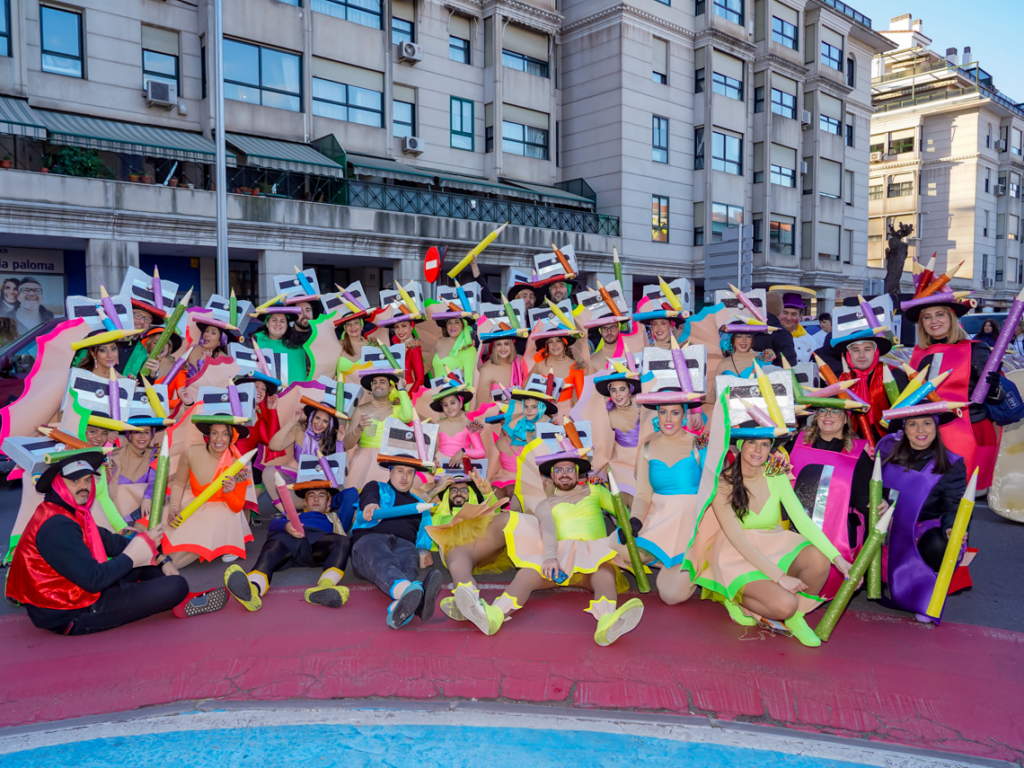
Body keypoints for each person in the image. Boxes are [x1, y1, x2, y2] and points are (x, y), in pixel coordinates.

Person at [456, 451, 645, 646]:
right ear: (552, 477)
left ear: (577, 473)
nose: (564, 474)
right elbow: (548, 529)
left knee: (605, 575)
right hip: (559, 558)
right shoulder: (545, 504)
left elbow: (623, 509)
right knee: (526, 575)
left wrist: (629, 525)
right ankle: (493, 616)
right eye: (559, 471)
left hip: (593, 555)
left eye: (569, 469)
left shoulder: (596, 491)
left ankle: (607, 623)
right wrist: (551, 557)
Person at [4, 451, 191, 635]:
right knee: (177, 586)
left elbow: (112, 542)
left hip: (82, 589)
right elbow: (94, 580)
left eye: (87, 479)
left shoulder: (69, 512)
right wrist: (134, 555)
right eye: (75, 481)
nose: (84, 486)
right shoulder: (58, 525)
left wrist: (161, 559)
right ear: (58, 483)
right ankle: (165, 592)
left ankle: (159, 590)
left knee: (150, 565)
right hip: (70, 612)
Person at [695, 429, 852, 647]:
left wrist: (837, 558)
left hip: (771, 544)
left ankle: (797, 618)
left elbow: (802, 521)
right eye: (752, 442)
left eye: (765, 444)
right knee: (785, 606)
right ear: (740, 445)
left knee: (819, 559)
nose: (758, 450)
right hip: (736, 553)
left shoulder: (776, 474)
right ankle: (733, 598)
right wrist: (780, 577)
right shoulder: (722, 484)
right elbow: (738, 539)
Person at [904, 288, 1007, 490]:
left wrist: (994, 387)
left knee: (961, 496)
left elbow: (995, 398)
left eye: (939, 314)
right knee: (925, 495)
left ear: (951, 318)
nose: (934, 321)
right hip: (926, 435)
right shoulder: (917, 352)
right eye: (927, 317)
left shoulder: (975, 349)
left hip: (969, 430)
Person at [877, 409, 969, 620]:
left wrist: (951, 527)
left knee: (940, 544)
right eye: (913, 424)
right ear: (904, 429)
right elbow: (874, 488)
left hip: (922, 528)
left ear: (936, 427)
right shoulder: (887, 455)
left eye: (927, 423)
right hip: (888, 527)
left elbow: (953, 506)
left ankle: (925, 590)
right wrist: (878, 500)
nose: (921, 430)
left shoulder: (951, 464)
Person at [628, 393, 709, 606]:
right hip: (659, 524)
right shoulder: (647, 446)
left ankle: (691, 562)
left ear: (684, 415)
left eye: (675, 412)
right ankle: (663, 559)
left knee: (671, 595)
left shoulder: (699, 445)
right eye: (663, 412)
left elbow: (715, 491)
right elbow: (643, 494)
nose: (668, 418)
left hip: (692, 531)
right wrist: (635, 520)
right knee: (613, 550)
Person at [787, 405, 874, 597]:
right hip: (793, 528)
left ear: (846, 418)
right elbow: (774, 474)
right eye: (823, 411)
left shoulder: (858, 452)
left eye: (835, 411)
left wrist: (875, 504)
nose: (828, 416)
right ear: (816, 416)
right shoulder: (795, 442)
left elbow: (862, 495)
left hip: (837, 531)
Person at [223, 484, 352, 611]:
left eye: (321, 496)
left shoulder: (336, 518)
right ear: (305, 503)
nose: (316, 499)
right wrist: (286, 526)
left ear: (328, 503)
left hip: (318, 546)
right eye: (311, 496)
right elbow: (274, 524)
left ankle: (325, 586)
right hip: (288, 545)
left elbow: (351, 494)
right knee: (273, 544)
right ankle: (253, 589)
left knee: (343, 541)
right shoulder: (293, 516)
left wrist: (331, 494)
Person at [351, 459, 442, 628]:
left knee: (409, 566)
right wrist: (371, 504)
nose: (405, 477)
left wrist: (423, 551)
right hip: (370, 539)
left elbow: (423, 533)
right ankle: (415, 595)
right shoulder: (376, 487)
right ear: (391, 472)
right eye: (400, 471)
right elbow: (369, 497)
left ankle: (398, 606)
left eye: (410, 472)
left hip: (405, 544)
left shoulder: (420, 504)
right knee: (382, 559)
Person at [163, 421, 255, 567]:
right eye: (214, 433)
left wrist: (228, 493)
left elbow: (237, 507)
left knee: (174, 561)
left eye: (225, 434)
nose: (219, 439)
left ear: (232, 437)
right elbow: (179, 483)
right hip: (192, 503)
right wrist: (174, 508)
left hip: (222, 512)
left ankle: (223, 540)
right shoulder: (191, 452)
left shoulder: (241, 467)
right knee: (147, 532)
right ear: (209, 434)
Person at [425, 468, 510, 621]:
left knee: (508, 518)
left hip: (483, 546)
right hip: (457, 552)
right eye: (453, 490)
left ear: (470, 494)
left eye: (464, 490)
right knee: (458, 564)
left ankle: (467, 602)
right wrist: (436, 489)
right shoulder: (436, 516)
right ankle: (470, 601)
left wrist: (487, 494)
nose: (458, 493)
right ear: (447, 495)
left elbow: (495, 515)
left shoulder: (480, 513)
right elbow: (413, 505)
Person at [266, 398, 343, 509]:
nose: (319, 424)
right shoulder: (299, 430)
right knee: (269, 472)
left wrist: (339, 443)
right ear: (312, 417)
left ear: (329, 424)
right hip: (302, 480)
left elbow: (338, 472)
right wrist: (292, 421)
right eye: (317, 418)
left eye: (325, 421)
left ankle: (318, 507)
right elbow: (274, 446)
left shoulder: (332, 438)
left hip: (323, 485)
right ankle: (285, 512)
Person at [344, 369, 413, 490]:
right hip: (363, 461)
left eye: (382, 381)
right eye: (374, 382)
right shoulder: (360, 409)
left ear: (391, 387)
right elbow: (347, 444)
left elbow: (408, 416)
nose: (377, 385)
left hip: (388, 461)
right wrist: (358, 428)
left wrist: (401, 389)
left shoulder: (397, 409)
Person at [490, 381, 556, 500]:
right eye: (526, 407)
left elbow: (546, 460)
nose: (529, 410)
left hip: (534, 481)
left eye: (534, 407)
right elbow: (491, 470)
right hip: (506, 481)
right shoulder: (509, 435)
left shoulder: (548, 431)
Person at [108, 425, 160, 524]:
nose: (142, 436)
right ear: (129, 435)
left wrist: (148, 498)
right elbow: (111, 492)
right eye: (137, 432)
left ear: (152, 435)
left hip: (146, 512)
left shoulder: (155, 453)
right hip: (119, 513)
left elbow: (156, 481)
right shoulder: (116, 456)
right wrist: (118, 521)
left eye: (146, 432)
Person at [431, 379, 485, 469]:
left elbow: (482, 453)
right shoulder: (438, 424)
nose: (449, 407)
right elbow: (432, 449)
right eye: (445, 405)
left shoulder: (473, 424)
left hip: (461, 468)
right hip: (440, 467)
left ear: (460, 403)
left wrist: (463, 451)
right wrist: (433, 462)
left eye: (452, 403)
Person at [252, 307, 308, 386]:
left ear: (287, 325)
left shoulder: (301, 346)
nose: (278, 324)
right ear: (267, 323)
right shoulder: (253, 343)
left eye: (282, 321)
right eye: (274, 320)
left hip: (294, 392)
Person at [474, 335, 528, 407]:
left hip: (523, 410)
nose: (503, 348)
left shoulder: (521, 361)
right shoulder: (485, 370)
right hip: (497, 413)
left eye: (506, 344)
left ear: (512, 344)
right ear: (494, 346)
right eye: (498, 344)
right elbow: (482, 405)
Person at [431, 315, 478, 386]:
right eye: (449, 322)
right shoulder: (439, 343)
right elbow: (429, 367)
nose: (452, 326)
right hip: (437, 391)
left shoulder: (469, 350)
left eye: (456, 322)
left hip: (456, 392)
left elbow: (469, 381)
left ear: (463, 325)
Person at [335, 304, 374, 384]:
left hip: (367, 390)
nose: (353, 326)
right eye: (348, 324)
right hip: (342, 390)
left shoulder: (372, 345)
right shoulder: (337, 345)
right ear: (345, 328)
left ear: (361, 326)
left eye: (356, 322)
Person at [776, 289, 818, 362]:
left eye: (793, 314)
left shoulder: (810, 340)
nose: (788, 318)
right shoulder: (772, 336)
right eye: (785, 313)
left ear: (800, 316)